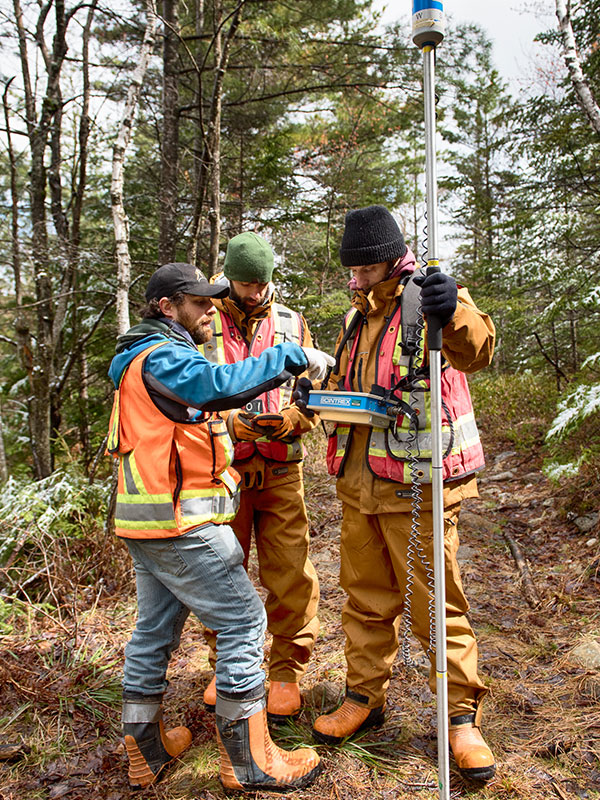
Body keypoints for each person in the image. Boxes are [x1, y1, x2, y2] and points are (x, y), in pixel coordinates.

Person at [107, 262, 333, 792]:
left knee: (153, 632)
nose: (211, 308)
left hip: (147, 522)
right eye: (199, 301)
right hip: (181, 522)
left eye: (214, 299)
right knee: (245, 623)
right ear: (168, 307)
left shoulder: (141, 358)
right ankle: (250, 759)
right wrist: (293, 356)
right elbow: (215, 386)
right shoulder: (161, 355)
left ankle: (146, 748)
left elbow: (201, 412)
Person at [302, 206, 496, 783]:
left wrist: (453, 308)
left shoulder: (429, 297)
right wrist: (315, 392)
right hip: (358, 486)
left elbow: (479, 350)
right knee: (364, 599)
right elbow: (349, 386)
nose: (353, 279)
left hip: (420, 486)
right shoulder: (354, 318)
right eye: (350, 270)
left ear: (388, 258)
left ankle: (460, 719)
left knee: (437, 607)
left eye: (362, 269)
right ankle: (363, 698)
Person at [197, 232, 320, 723]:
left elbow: (315, 386)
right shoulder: (201, 318)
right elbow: (185, 394)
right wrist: (231, 423)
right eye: (244, 283)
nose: (254, 292)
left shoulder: (292, 323)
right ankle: (225, 666)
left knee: (290, 572)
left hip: (282, 470)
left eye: (261, 283)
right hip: (222, 471)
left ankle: (286, 672)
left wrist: (295, 419)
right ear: (229, 277)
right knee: (222, 575)